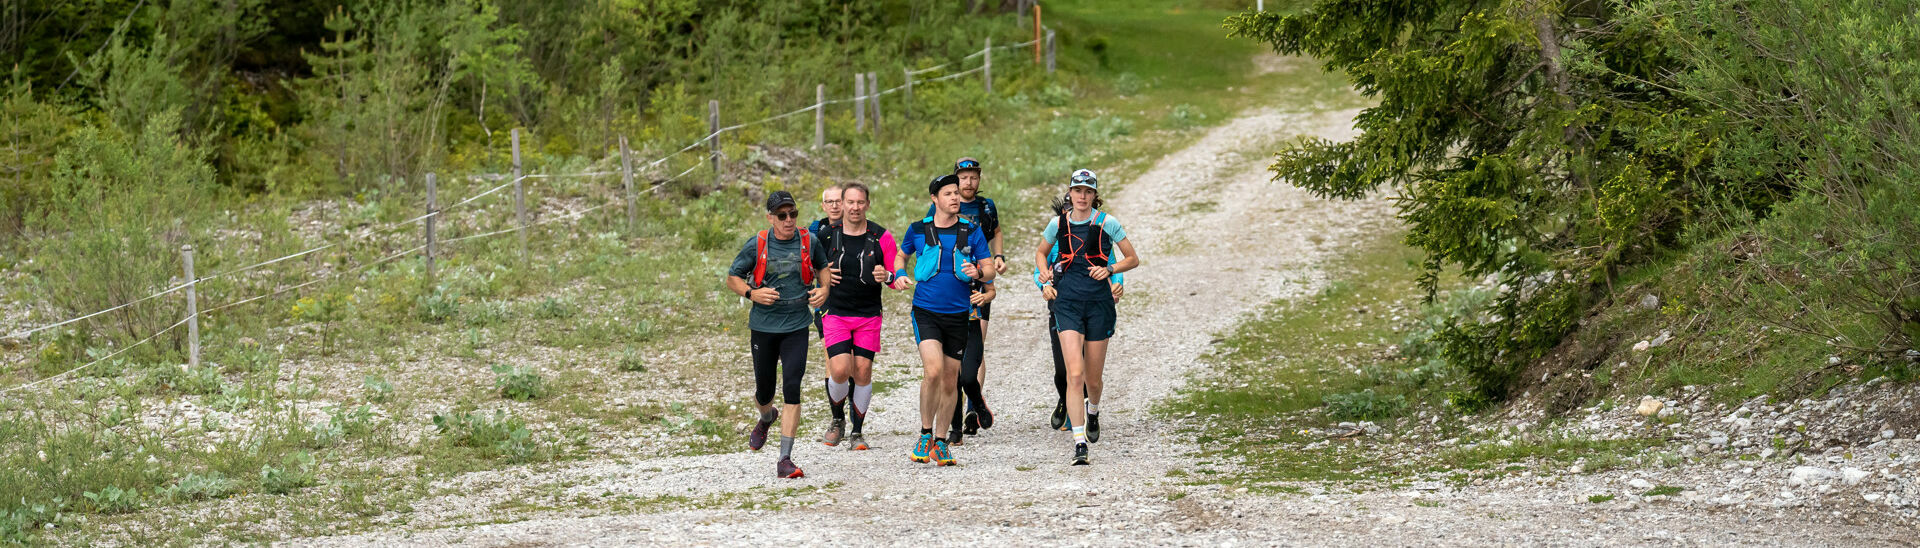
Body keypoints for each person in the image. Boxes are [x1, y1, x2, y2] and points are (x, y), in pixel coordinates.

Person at [1032, 169, 1138, 466]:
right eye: (1077, 190)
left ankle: (1093, 412)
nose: (1081, 196)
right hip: (1067, 303)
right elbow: (1041, 253)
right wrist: (1044, 276)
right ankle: (1079, 443)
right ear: (1070, 193)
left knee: (1093, 379)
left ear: (1094, 195)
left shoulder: (1107, 223)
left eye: (1087, 191)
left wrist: (1111, 271)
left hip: (1099, 304)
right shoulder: (1058, 223)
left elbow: (1132, 258)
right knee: (1074, 374)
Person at [725, 190, 831, 478]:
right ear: (770, 217)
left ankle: (785, 459)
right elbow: (732, 277)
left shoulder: (809, 241)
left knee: (792, 388)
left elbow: (822, 268)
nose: (788, 220)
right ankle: (766, 416)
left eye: (793, 214)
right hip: (764, 326)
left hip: (797, 324)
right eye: (782, 215)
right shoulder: (758, 244)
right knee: (764, 392)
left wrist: (824, 290)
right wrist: (752, 293)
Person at [897, 174, 996, 466]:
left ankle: (941, 441)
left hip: (959, 314)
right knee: (933, 371)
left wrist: (980, 273)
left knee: (951, 380)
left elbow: (989, 269)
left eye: (956, 193)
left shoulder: (971, 230)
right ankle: (925, 433)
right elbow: (900, 257)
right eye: (948, 193)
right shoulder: (918, 229)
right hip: (926, 311)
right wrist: (900, 273)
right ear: (935, 199)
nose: (954, 197)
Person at [815, 182, 908, 451]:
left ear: (867, 204)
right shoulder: (826, 235)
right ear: (841, 204)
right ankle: (837, 419)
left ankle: (857, 431)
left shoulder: (882, 237)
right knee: (840, 369)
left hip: (868, 314)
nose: (855, 207)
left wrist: (888, 276)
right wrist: (822, 278)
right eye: (850, 202)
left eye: (860, 202)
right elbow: (808, 269)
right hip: (835, 311)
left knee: (864, 371)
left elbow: (894, 277)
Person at [925, 157, 1003, 445]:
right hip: (947, 297)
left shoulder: (985, 209)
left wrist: (996, 261)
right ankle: (955, 427)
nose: (968, 183)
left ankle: (974, 402)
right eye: (963, 178)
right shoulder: (938, 212)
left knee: (970, 361)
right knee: (951, 368)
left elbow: (995, 235)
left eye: (974, 177)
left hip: (976, 290)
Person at [1039, 200, 1127, 432]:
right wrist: (1044, 286)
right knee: (1065, 370)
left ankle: (1090, 409)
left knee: (1089, 374)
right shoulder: (1057, 236)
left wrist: (1117, 283)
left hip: (1095, 303)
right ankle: (1065, 404)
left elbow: (1110, 262)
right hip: (1062, 304)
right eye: (1068, 213)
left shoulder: (1097, 233)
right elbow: (1040, 268)